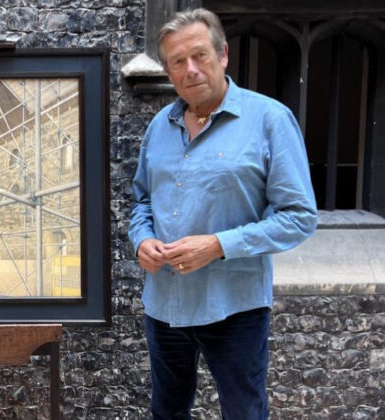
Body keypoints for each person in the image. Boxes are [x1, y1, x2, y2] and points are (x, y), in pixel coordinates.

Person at [128, 8, 317, 420]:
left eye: (200, 56)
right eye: (178, 61)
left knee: (244, 412)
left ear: (223, 55)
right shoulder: (159, 125)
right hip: (165, 304)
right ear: (167, 70)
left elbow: (299, 215)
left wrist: (217, 245)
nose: (190, 69)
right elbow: (141, 201)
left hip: (234, 307)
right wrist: (141, 240)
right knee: (167, 411)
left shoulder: (270, 120)